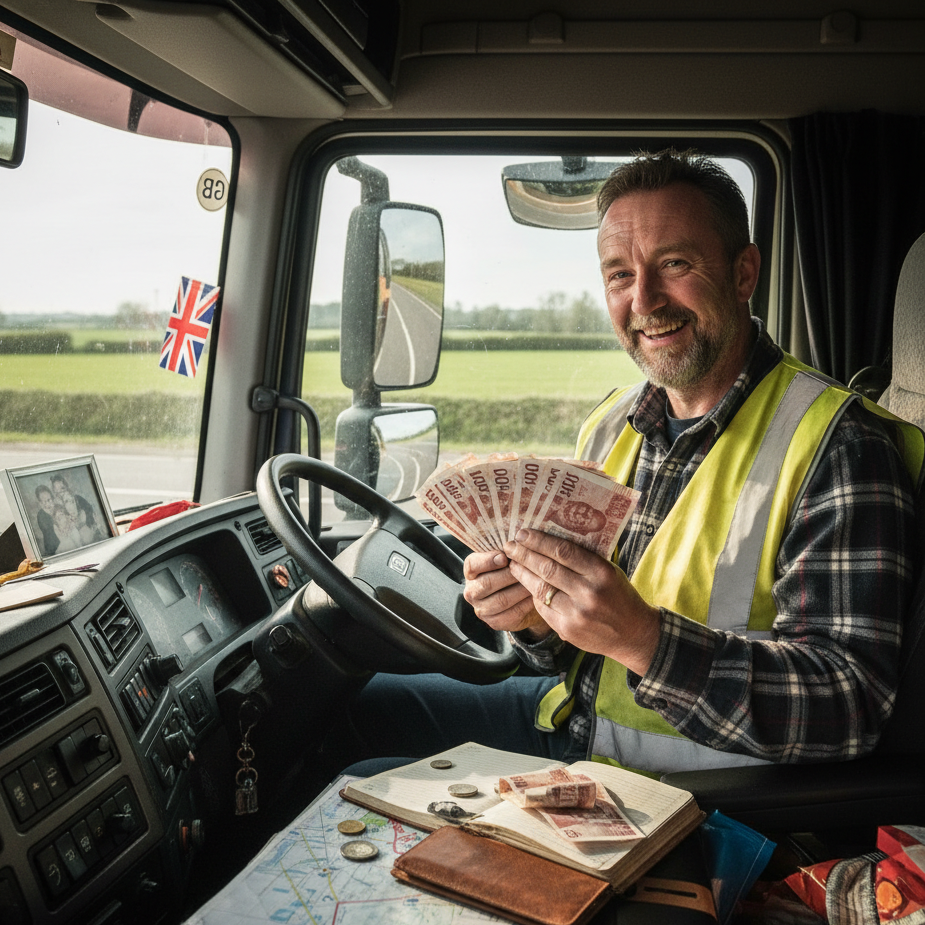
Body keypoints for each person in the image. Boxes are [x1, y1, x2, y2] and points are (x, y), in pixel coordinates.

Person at [344, 149, 921, 777]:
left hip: (696, 797)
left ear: (743, 273)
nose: (643, 300)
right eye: (619, 274)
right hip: (579, 729)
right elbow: (569, 653)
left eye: (674, 264)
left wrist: (645, 640)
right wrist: (536, 621)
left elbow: (850, 706)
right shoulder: (612, 424)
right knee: (355, 709)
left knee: (360, 782)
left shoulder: (838, 447)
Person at [34, 484, 59, 556]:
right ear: (40, 503)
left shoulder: (58, 508)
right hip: (53, 550)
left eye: (49, 500)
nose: (47, 504)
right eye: (43, 501)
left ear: (52, 498)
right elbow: (50, 532)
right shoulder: (41, 515)